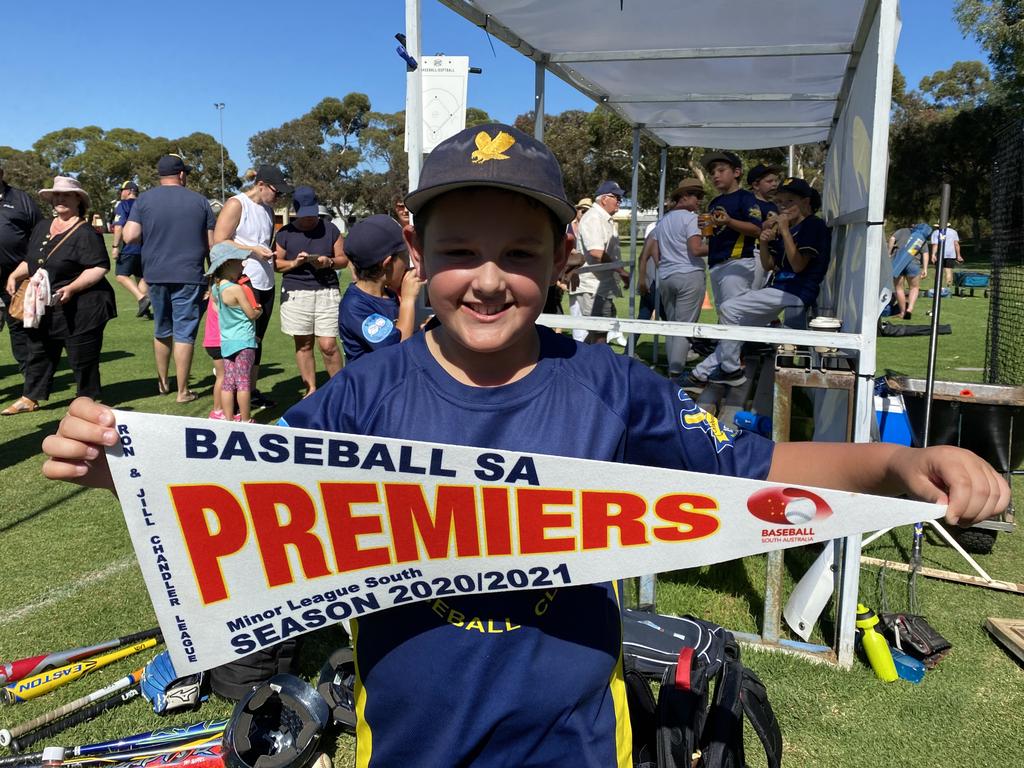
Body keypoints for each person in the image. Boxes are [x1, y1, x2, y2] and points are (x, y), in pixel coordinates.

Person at [39, 123, 1010, 768]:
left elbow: (752, 470)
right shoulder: (364, 396)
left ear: (562, 260)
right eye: (460, 251)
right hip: (409, 742)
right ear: (417, 254)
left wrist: (893, 466)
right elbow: (242, 502)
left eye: (521, 253)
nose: (490, 279)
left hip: (578, 740)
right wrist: (119, 470)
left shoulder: (609, 384)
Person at [701, 177, 831, 387]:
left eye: (790, 201)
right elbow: (769, 264)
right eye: (779, 202)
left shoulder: (813, 225)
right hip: (780, 288)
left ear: (806, 203)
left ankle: (731, 370)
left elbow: (798, 265)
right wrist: (763, 242)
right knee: (737, 327)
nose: (783, 207)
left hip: (797, 290)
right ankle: (700, 373)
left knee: (729, 308)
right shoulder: (786, 228)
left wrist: (785, 230)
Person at [3, 177, 115, 414]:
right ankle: (29, 397)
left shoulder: (86, 232)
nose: (60, 199)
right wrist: (15, 274)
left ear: (78, 199)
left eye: (66, 195)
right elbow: (32, 260)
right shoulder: (43, 226)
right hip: (47, 304)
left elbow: (99, 267)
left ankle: (87, 399)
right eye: (56, 195)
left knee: (82, 355)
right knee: (39, 350)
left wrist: (72, 288)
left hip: (83, 306)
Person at [124, 154, 215, 402]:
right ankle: (183, 390)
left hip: (155, 273)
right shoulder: (200, 201)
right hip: (190, 274)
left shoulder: (144, 200)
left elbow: (130, 235)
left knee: (161, 329)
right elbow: (211, 244)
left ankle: (163, 382)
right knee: (184, 331)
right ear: (182, 174)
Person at [213, 165, 293, 409]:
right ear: (260, 185)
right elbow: (219, 242)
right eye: (275, 191)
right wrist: (252, 250)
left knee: (256, 341)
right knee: (241, 340)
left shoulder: (269, 210)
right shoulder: (237, 204)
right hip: (243, 281)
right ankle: (235, 397)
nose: (278, 196)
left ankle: (251, 390)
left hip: (265, 280)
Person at [685, 151, 764, 389]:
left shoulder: (745, 199)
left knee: (732, 322)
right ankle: (721, 369)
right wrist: (705, 228)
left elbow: (757, 230)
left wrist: (728, 222)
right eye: (712, 172)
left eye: (721, 170)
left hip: (737, 264)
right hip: (718, 265)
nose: (715, 176)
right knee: (728, 322)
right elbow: (713, 237)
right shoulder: (714, 202)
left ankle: (718, 370)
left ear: (737, 172)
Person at [273, 186, 347, 395]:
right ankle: (311, 390)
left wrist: (328, 261)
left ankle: (338, 390)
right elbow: (276, 264)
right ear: (296, 210)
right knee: (304, 344)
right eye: (304, 215)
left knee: (328, 345)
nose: (309, 220)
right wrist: (295, 263)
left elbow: (343, 259)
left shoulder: (330, 229)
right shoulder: (285, 233)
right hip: (296, 293)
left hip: (326, 292)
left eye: (312, 214)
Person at [637, 178, 708, 380]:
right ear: (684, 197)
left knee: (671, 325)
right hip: (689, 275)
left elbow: (654, 253)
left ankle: (673, 369)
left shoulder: (662, 221)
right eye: (697, 195)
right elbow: (696, 249)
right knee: (684, 327)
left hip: (667, 277)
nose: (699, 200)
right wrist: (721, 248)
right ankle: (675, 374)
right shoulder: (691, 218)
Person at [338, 214, 422, 363]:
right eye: (405, 257)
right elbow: (397, 352)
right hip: (372, 385)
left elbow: (398, 331)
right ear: (388, 263)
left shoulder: (387, 294)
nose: (408, 265)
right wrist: (408, 301)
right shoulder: (355, 307)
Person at [207, 243, 260, 423]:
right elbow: (251, 313)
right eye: (239, 261)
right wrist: (258, 311)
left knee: (228, 382)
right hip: (244, 341)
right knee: (243, 382)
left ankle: (229, 419)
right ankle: (245, 420)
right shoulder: (236, 289)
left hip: (227, 342)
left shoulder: (215, 289)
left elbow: (216, 308)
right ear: (228, 264)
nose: (242, 265)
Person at [0, 162, 43, 371]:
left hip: (16, 274)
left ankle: (30, 378)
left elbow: (40, 232)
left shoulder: (20, 199)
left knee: (19, 324)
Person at [577, 180, 627, 344]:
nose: (619, 202)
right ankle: (599, 366)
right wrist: (621, 271)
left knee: (599, 332)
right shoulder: (593, 218)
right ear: (604, 199)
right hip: (593, 287)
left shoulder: (603, 219)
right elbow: (596, 252)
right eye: (616, 198)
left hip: (603, 286)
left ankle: (584, 364)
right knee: (599, 333)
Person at [110, 181, 150, 318]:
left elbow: (119, 227)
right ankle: (145, 309)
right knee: (141, 277)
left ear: (129, 191)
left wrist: (115, 246)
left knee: (121, 276)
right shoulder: (144, 205)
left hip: (129, 248)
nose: (121, 193)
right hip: (145, 248)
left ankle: (142, 298)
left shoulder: (123, 205)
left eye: (122, 190)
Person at [565, 197, 592, 342]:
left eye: (588, 210)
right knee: (575, 309)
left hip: (584, 275)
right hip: (569, 272)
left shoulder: (588, 226)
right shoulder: (569, 226)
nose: (584, 212)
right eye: (582, 210)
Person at [888, 223, 927, 319]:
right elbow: (925, 253)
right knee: (914, 287)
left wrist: (889, 252)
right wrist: (925, 268)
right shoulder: (921, 237)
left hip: (898, 263)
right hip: (913, 263)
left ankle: (902, 312)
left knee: (899, 288)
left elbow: (892, 239)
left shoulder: (901, 231)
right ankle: (909, 310)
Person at [930, 223, 962, 292]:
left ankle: (938, 288)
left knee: (939, 271)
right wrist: (958, 255)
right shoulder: (953, 232)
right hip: (951, 254)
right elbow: (956, 244)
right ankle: (948, 289)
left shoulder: (936, 232)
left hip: (940, 254)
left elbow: (935, 244)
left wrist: (933, 254)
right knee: (948, 271)